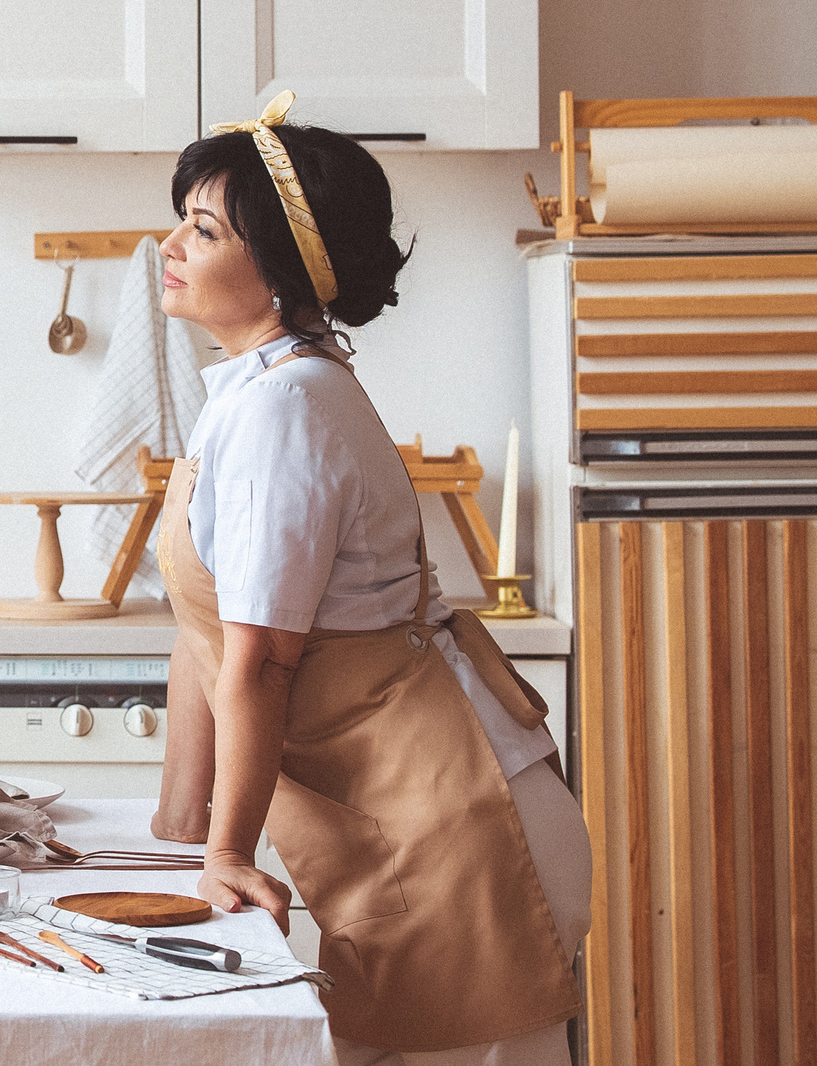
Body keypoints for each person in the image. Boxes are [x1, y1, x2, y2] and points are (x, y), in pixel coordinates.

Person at [149, 94, 591, 1066]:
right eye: (183, 215)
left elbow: (261, 660)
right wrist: (184, 837)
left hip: (464, 829)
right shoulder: (256, 389)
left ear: (277, 271)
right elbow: (205, 632)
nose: (169, 241)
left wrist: (224, 852)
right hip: (406, 820)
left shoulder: (286, 410)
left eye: (202, 227)